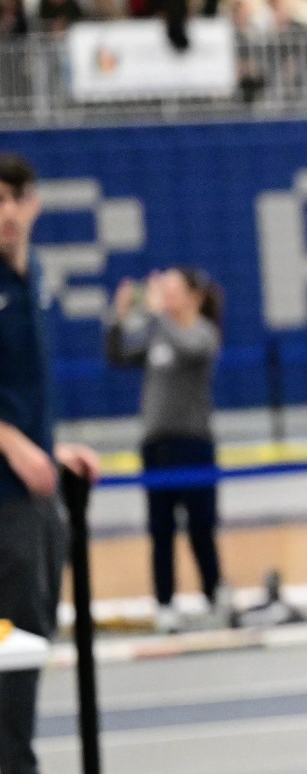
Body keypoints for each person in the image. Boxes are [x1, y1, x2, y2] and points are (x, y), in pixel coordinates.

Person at [0, 153, 101, 774]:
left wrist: (47, 446)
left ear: (33, 205)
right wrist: (11, 443)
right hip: (4, 502)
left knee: (28, 645)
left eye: (16, 198)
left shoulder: (30, 277)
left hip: (34, 500)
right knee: (10, 650)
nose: (6, 212)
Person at [105, 268, 227, 633]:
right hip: (156, 447)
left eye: (173, 291)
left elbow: (190, 349)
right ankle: (165, 604)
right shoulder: (158, 335)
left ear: (194, 296)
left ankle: (214, 594)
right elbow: (118, 356)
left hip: (194, 443)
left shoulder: (203, 333)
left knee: (201, 526)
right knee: (160, 530)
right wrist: (119, 316)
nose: (166, 297)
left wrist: (159, 313)